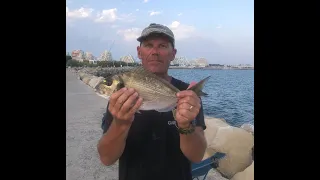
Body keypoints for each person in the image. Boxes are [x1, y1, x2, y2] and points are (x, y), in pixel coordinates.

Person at [97, 23, 207, 180]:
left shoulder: (186, 95)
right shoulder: (121, 96)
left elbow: (197, 156)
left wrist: (185, 125)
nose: (155, 52)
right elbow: (106, 158)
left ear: (173, 53)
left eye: (162, 46)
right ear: (139, 52)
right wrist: (121, 124)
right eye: (148, 45)